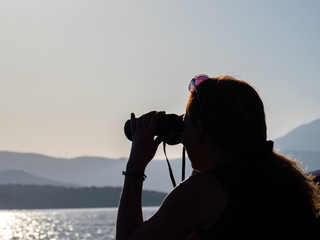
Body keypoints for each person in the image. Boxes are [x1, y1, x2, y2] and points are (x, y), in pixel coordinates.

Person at [116, 74, 320, 240]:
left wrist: (136, 165)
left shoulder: (206, 190)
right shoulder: (284, 181)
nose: (183, 140)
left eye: (185, 123)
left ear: (199, 129)